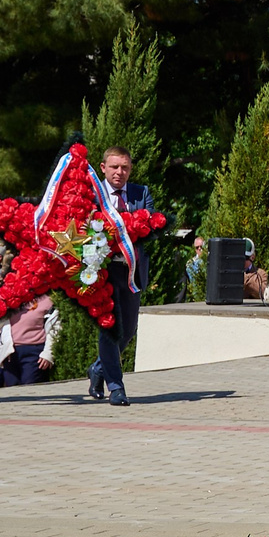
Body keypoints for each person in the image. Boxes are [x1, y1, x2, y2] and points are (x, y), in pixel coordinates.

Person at [89, 146, 154, 407]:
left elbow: (148, 226)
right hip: (102, 271)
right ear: (103, 168)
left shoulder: (141, 193)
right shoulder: (93, 194)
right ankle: (116, 388)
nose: (120, 172)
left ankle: (98, 369)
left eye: (125, 167)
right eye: (115, 167)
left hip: (131, 271)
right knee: (110, 329)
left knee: (127, 330)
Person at [0, 292, 51, 389]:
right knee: (12, 390)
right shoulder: (9, 298)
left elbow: (53, 329)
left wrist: (48, 353)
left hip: (34, 352)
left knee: (30, 388)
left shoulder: (46, 299)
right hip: (10, 351)